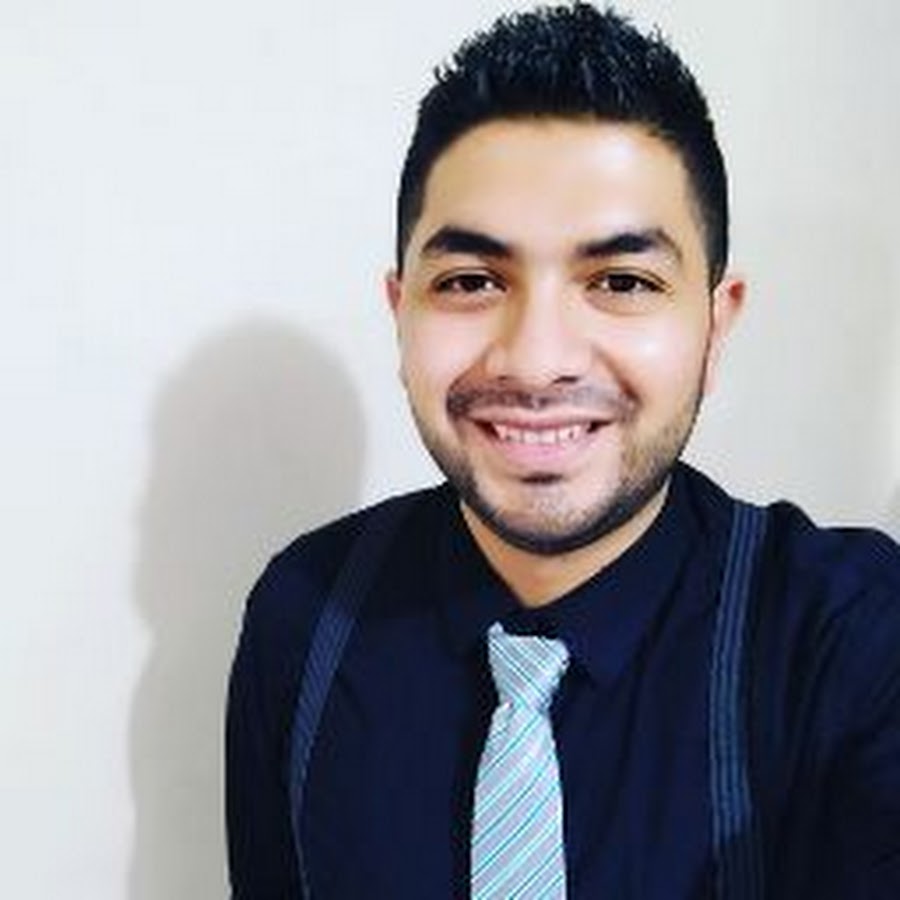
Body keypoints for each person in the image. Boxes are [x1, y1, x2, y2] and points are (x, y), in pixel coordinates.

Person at [226, 4, 900, 897]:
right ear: (402, 313)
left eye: (621, 281)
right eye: (471, 281)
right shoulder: (304, 620)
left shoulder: (851, 643)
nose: (537, 360)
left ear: (715, 325)